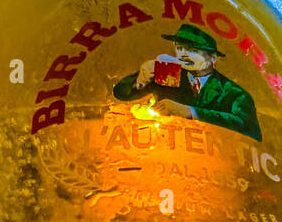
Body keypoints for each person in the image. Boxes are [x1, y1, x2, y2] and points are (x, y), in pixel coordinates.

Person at [112, 23, 262, 141]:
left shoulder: (234, 93)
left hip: (214, 161)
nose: (183, 55)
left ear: (213, 58)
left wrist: (189, 111)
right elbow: (121, 94)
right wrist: (140, 78)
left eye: (192, 50)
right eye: (179, 48)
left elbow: (248, 128)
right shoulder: (169, 74)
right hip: (163, 151)